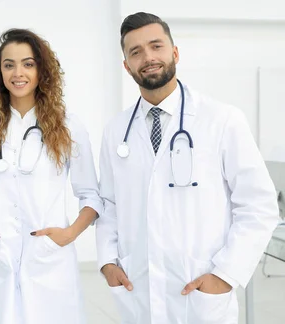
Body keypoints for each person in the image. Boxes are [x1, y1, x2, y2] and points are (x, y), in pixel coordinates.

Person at [96, 12, 280, 324]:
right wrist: (107, 263)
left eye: (156, 46)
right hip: (137, 286)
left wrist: (225, 274)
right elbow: (108, 204)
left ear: (175, 53)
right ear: (127, 66)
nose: (148, 57)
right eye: (136, 51)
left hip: (201, 291)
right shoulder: (116, 130)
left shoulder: (222, 119)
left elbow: (258, 206)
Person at [0, 28, 103, 324]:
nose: (18, 73)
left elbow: (90, 194)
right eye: (8, 64)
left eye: (28, 63)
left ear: (42, 69)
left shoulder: (68, 127)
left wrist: (68, 235)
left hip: (49, 259)